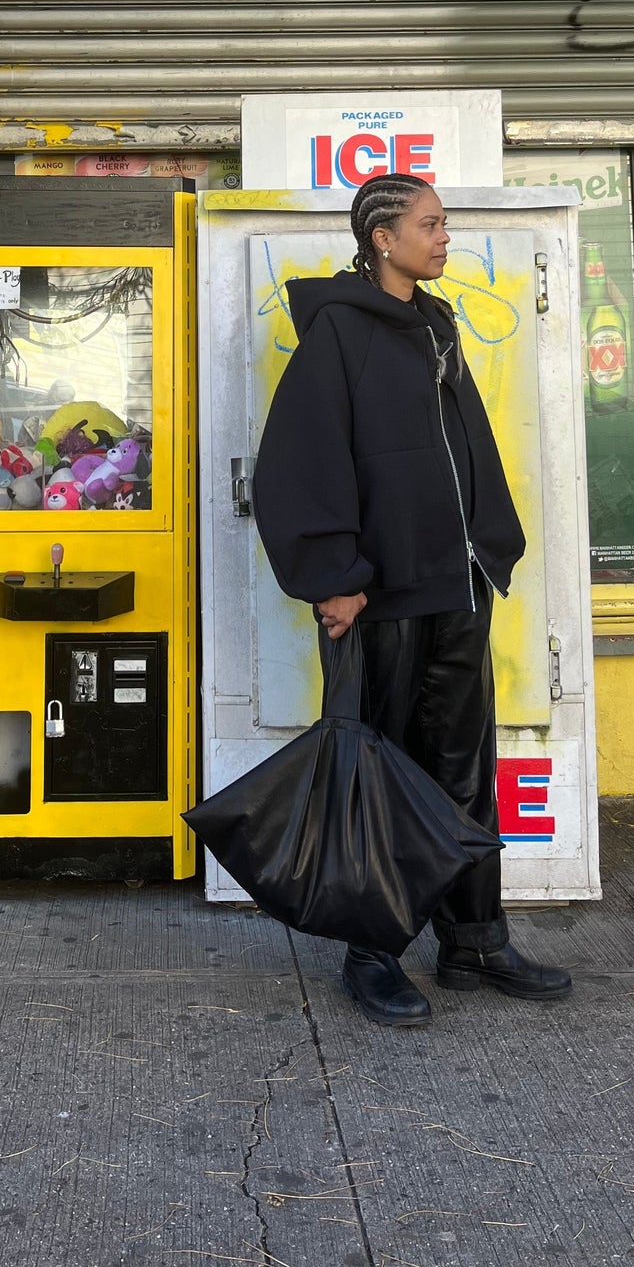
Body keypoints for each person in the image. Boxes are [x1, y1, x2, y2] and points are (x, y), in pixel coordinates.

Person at [252, 172, 573, 1027]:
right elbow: (301, 461)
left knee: (464, 773)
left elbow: (459, 445)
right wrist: (333, 580)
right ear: (382, 239)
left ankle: (474, 937)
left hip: (458, 584)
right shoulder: (338, 334)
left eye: (444, 224)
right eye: (429, 226)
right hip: (379, 600)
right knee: (380, 778)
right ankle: (373, 951)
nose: (443, 238)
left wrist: (488, 548)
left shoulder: (435, 325)